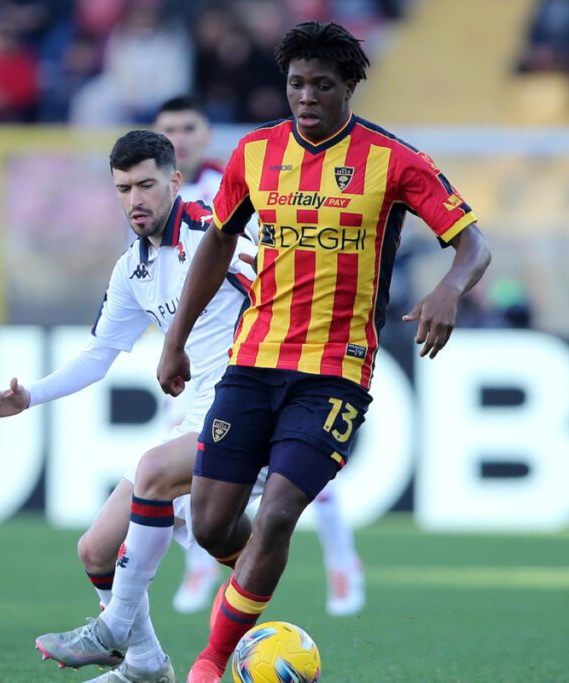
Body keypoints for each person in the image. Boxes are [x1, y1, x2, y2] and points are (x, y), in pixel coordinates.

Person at [155, 21, 491, 682]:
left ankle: (210, 659)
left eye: (321, 85)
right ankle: (257, 580)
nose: (305, 97)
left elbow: (473, 242)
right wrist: (176, 338)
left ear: (350, 87)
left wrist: (450, 288)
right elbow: (218, 242)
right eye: (295, 84)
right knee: (212, 524)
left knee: (278, 511)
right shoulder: (255, 154)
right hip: (252, 364)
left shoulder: (394, 161)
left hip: (335, 374)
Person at [0, 130, 256, 683]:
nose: (134, 200)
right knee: (95, 550)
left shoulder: (216, 232)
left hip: (248, 405)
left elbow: (272, 286)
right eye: (123, 189)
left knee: (162, 481)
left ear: (174, 180)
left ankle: (118, 627)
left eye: (146, 185)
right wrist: (29, 398)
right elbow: (99, 355)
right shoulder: (133, 268)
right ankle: (145, 664)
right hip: (196, 414)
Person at [155, 94, 366, 618]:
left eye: (188, 127)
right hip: (195, 359)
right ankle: (203, 570)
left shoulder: (236, 181)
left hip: (258, 352)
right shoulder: (156, 198)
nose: (178, 139)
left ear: (206, 135)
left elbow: (249, 257)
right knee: (200, 478)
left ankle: (342, 564)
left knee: (292, 474)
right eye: (168, 130)